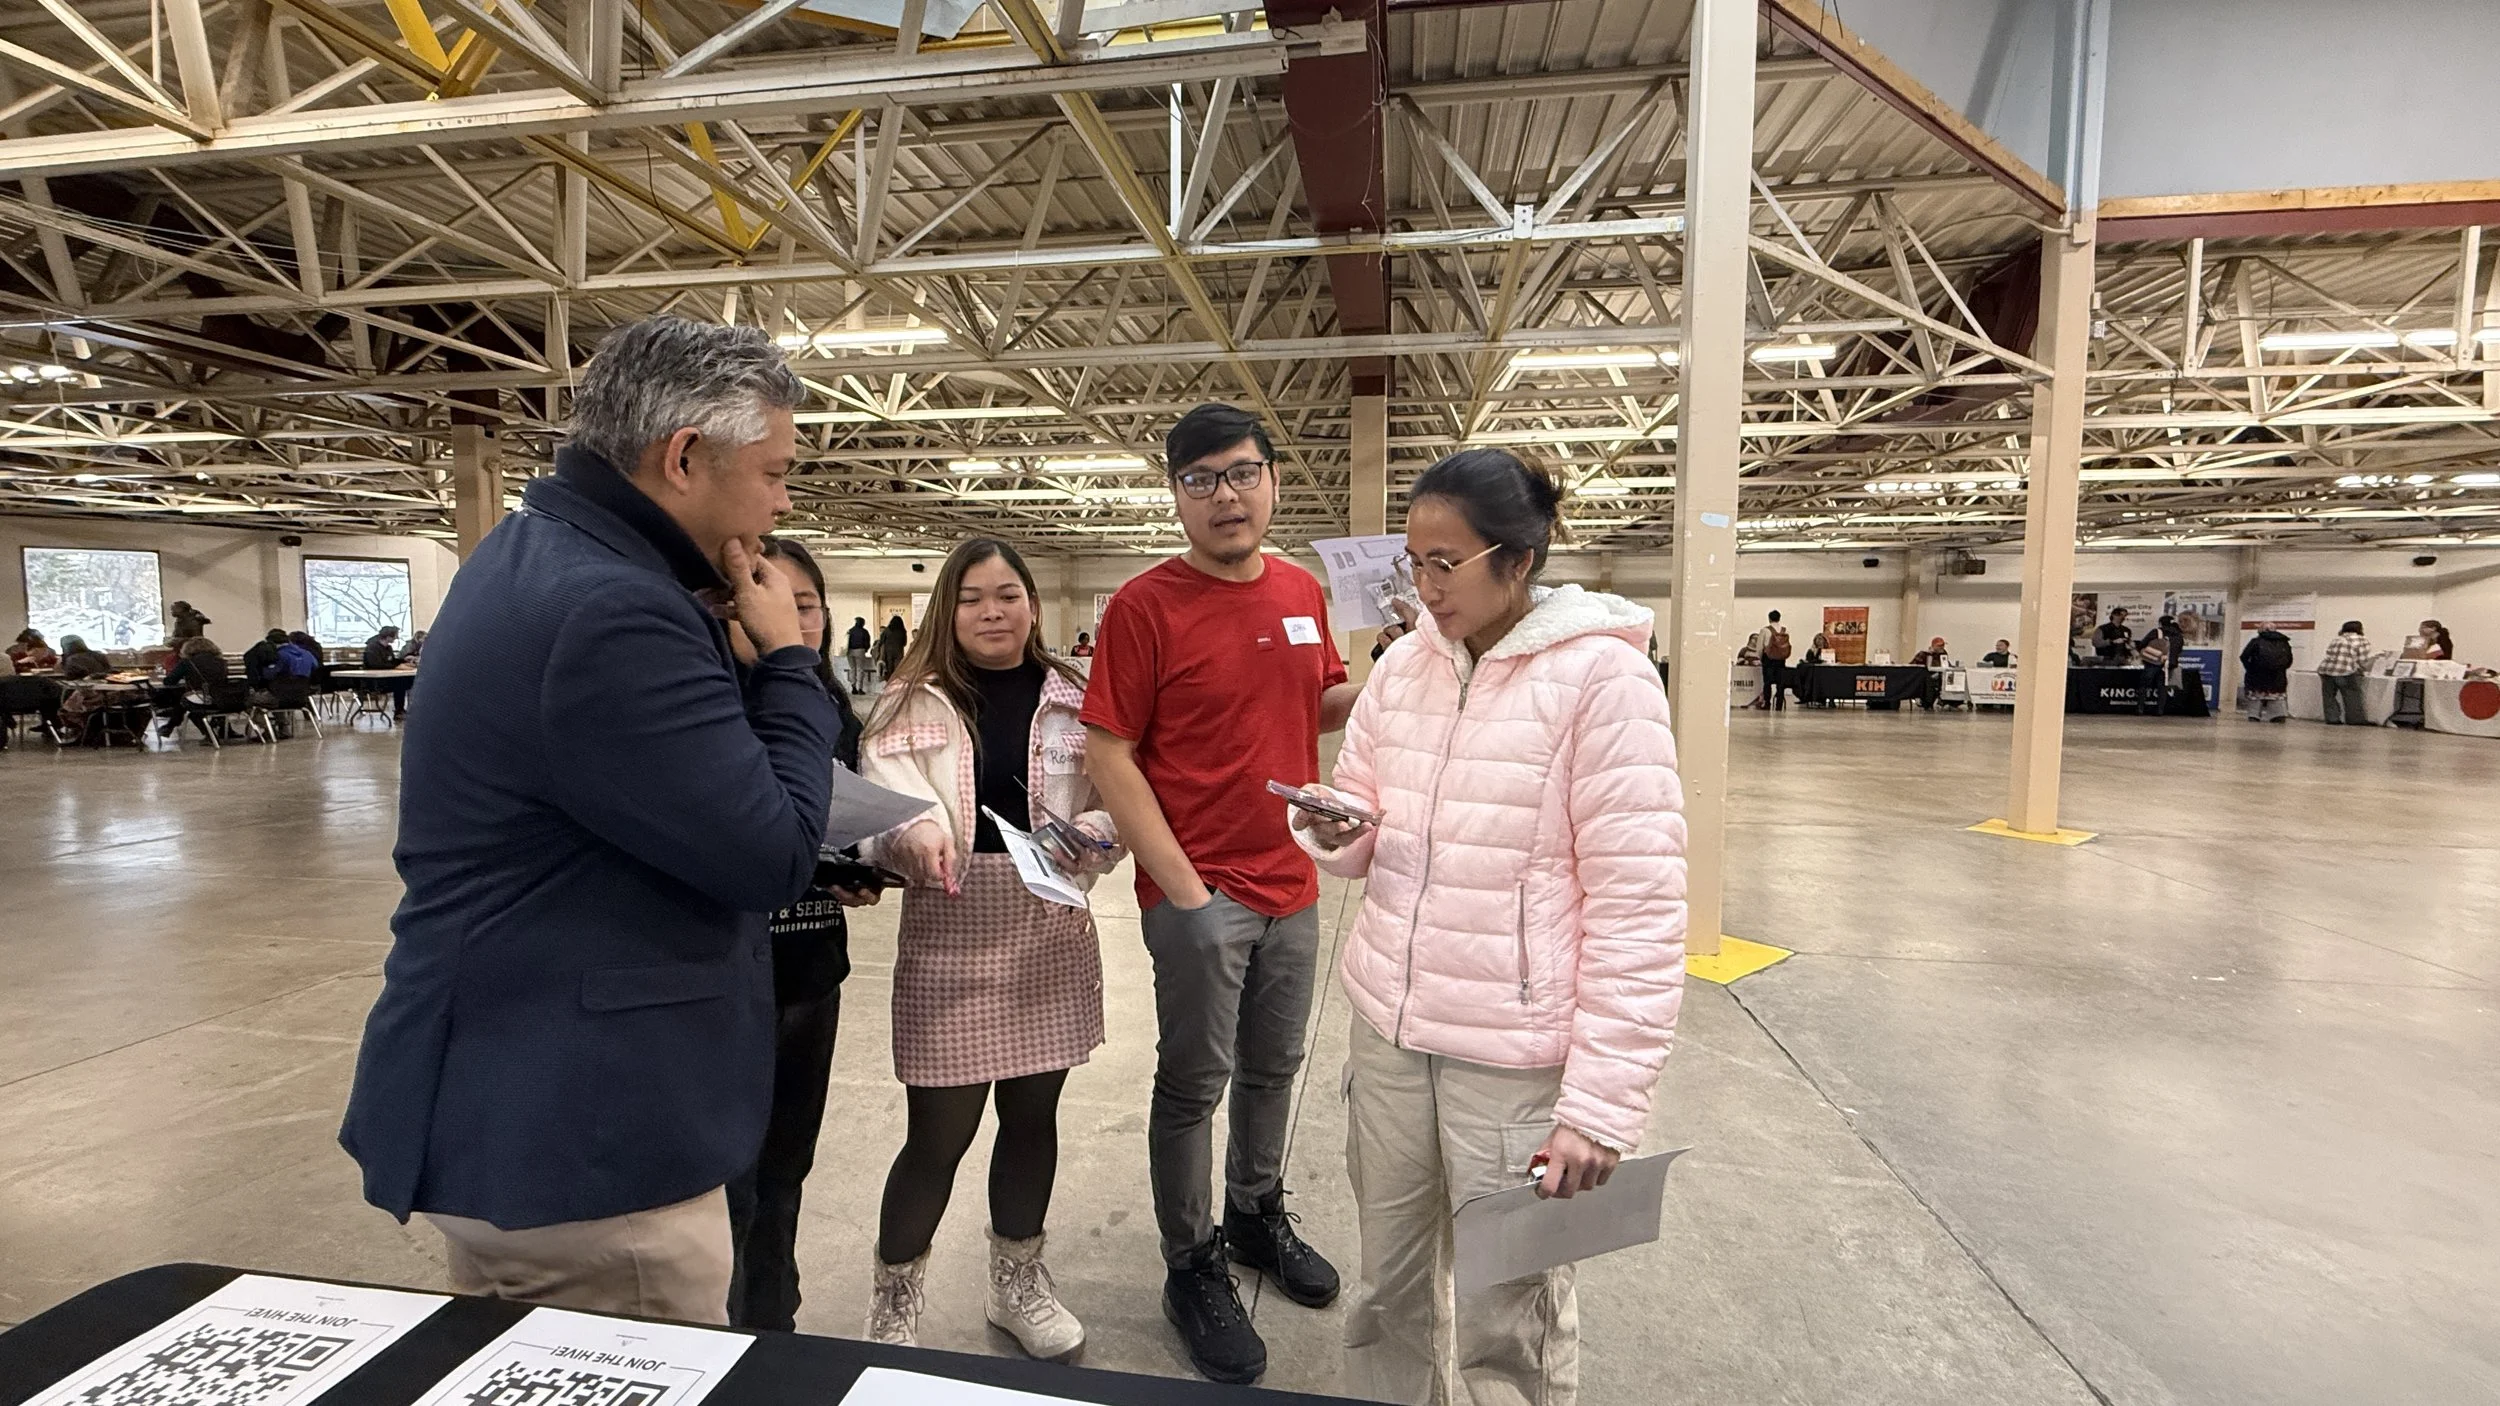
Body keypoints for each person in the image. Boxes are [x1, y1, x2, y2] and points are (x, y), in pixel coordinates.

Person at [338, 316, 840, 1325]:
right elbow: (772, 850)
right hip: (589, 1142)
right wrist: (788, 661)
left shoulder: (541, 553)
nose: (785, 500)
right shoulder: (612, 607)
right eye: (776, 469)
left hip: (524, 1103)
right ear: (686, 456)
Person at [1289, 448, 1685, 1406]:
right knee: (1387, 1282)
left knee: (1511, 1305)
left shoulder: (1604, 683)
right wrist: (1332, 827)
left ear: (1519, 557)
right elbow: (1365, 815)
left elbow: (1640, 904)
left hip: (1511, 1060)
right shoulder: (1405, 671)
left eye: (1444, 564)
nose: (1423, 589)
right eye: (1412, 564)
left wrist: (1600, 1104)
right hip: (1389, 1031)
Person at [1082, 402, 1358, 1386]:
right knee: (1193, 1081)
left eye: (1241, 472)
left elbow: (1316, 700)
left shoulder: (1299, 587)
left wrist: (1404, 667)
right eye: (1199, 479)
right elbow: (1107, 747)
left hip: (1292, 879)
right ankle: (1189, 1259)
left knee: (1273, 1068)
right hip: (1199, 893)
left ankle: (1252, 1212)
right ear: (1176, 494)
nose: (1225, 494)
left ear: (1273, 478)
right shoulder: (1142, 606)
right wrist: (1184, 889)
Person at [857, 537, 1123, 1361]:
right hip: (951, 921)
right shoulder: (909, 702)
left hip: (1050, 920)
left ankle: (1018, 1282)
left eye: (1008, 594)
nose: (992, 611)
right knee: (938, 1133)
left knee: (1032, 1116)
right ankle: (895, 1301)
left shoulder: (1076, 696)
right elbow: (882, 807)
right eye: (973, 597)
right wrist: (914, 838)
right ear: (949, 608)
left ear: (1033, 605)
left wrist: (1098, 837)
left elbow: (1122, 797)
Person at [723, 536, 883, 1333]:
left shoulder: (832, 714)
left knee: (787, 1166)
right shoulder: (713, 705)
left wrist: (854, 870)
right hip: (727, 981)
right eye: (774, 599)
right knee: (731, 1178)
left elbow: (831, 833)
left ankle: (771, 1321)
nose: (795, 618)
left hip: (811, 968)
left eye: (808, 604)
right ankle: (723, 1328)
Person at [155, 636, 231, 737]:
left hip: (201, 698)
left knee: (187, 704)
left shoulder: (187, 662)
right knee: (185, 702)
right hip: (222, 698)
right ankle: (170, 726)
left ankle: (209, 735)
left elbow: (169, 681)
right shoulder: (221, 662)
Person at [2317, 620, 2372, 726]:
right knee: (2351, 696)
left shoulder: (2337, 639)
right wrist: (2364, 669)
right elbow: (2363, 660)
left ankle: (2332, 719)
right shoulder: (2361, 640)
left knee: (2329, 696)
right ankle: (2355, 720)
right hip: (2346, 671)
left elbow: (2328, 653)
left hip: (2326, 669)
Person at [2241, 627, 2295, 722]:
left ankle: (2254, 716)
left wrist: (2250, 668)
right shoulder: (2284, 642)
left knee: (2256, 696)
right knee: (2276, 696)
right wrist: (2281, 668)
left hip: (2257, 675)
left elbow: (2244, 656)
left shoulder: (2256, 641)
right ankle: (2277, 715)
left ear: (2261, 631)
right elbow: (2289, 660)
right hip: (2278, 676)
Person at [1754, 609, 1791, 709]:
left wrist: (1760, 657)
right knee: (1780, 682)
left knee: (1767, 682)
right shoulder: (1785, 630)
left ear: (1769, 618)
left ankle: (1767, 703)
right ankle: (1779, 703)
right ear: (1779, 618)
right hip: (1781, 659)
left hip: (1768, 658)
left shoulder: (1765, 630)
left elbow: (1760, 647)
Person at [2134, 629, 2170, 715]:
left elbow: (2143, 643)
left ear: (2161, 623)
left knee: (2144, 685)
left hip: (2152, 662)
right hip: (2166, 664)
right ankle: (2160, 710)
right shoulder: (2178, 635)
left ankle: (2140, 709)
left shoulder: (2157, 632)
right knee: (2162, 687)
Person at [846, 615, 874, 693]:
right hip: (860, 651)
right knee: (860, 670)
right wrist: (866, 650)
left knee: (852, 669)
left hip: (850, 651)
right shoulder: (864, 632)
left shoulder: (850, 631)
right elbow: (867, 643)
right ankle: (860, 689)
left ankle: (853, 687)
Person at [877, 613, 908, 680]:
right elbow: (904, 643)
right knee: (898, 668)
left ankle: (889, 681)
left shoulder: (887, 630)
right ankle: (896, 682)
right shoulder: (902, 631)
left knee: (889, 668)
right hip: (899, 651)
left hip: (888, 651)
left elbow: (882, 641)